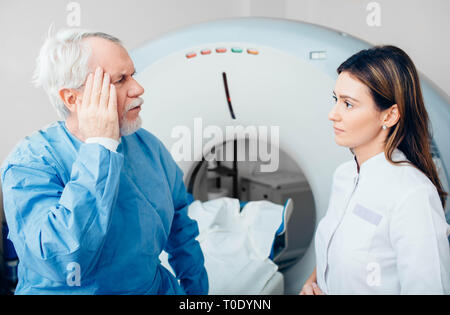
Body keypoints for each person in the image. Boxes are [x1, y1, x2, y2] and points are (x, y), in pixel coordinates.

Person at [0, 28, 208, 294]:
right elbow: (63, 261)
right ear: (72, 98)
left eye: (133, 75)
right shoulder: (30, 163)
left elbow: (182, 234)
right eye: (120, 80)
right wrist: (100, 146)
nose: (138, 88)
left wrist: (197, 293)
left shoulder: (149, 147)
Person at [300, 45, 450, 295]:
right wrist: (311, 284)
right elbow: (336, 249)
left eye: (348, 104)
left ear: (389, 116)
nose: (332, 114)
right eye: (335, 99)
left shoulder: (413, 195)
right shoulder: (345, 176)